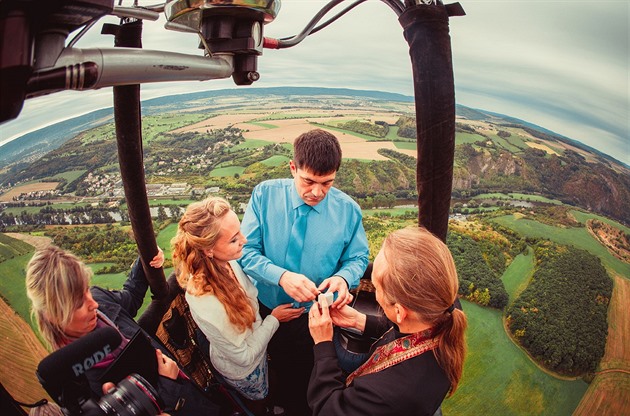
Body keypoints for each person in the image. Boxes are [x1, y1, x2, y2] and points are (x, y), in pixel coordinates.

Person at [239, 128, 370, 415]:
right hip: (267, 310)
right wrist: (281, 276)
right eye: (308, 181)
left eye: (327, 183)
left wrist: (342, 278)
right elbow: (245, 253)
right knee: (277, 366)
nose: (317, 192)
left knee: (311, 371)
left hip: (318, 317)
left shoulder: (349, 211)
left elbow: (359, 257)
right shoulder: (264, 195)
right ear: (292, 168)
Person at [25, 246, 222, 416]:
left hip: (195, 393)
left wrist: (147, 257)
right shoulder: (74, 386)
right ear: (54, 316)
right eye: (79, 303)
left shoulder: (99, 301)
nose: (93, 303)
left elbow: (132, 296)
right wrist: (167, 383)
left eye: (86, 290)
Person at [307, 226, 468, 415]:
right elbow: (405, 334)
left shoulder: (387, 392)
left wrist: (323, 343)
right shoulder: (443, 303)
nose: (375, 290)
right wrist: (360, 321)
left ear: (399, 311)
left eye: (377, 287)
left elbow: (328, 408)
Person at [170, 197, 299, 413]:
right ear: (208, 249)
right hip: (244, 369)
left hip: (257, 349)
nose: (244, 240)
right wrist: (274, 319)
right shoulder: (206, 302)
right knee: (258, 398)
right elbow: (244, 358)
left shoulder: (227, 261)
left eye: (239, 231)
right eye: (233, 239)